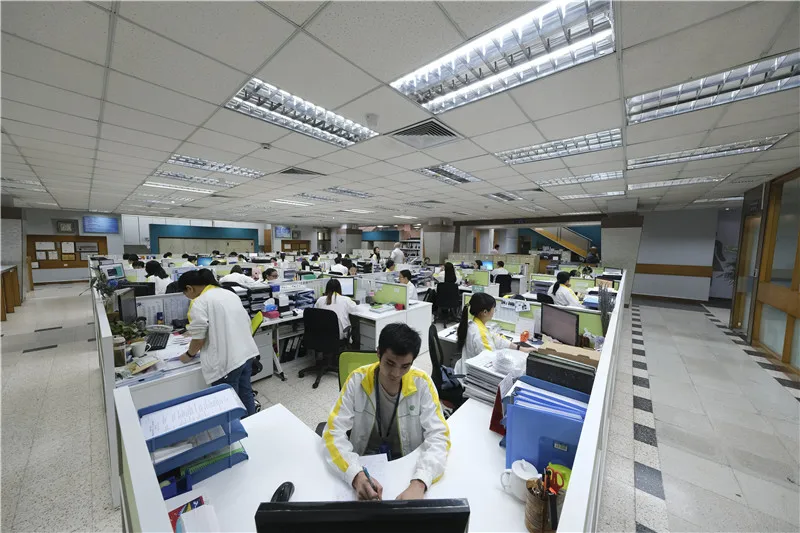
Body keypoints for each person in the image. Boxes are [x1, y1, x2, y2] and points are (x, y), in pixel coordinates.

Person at [323, 323, 450, 501]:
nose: (396, 373)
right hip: (364, 463)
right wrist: (355, 475)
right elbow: (332, 433)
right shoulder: (357, 381)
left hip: (408, 466)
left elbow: (439, 436)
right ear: (378, 353)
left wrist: (420, 481)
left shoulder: (422, 383)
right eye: (390, 363)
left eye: (405, 366)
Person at [177, 269, 259, 416]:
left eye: (184, 293)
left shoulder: (199, 302)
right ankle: (250, 424)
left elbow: (199, 340)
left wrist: (188, 355)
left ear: (189, 288)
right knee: (246, 393)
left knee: (229, 403)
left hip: (227, 362)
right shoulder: (229, 294)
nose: (186, 296)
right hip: (246, 353)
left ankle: (235, 428)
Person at [455, 293, 534, 376]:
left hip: (468, 369)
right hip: (474, 376)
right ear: (485, 312)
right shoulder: (480, 333)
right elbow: (491, 362)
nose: (494, 311)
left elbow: (497, 339)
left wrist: (520, 348)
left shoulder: (474, 324)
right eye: (493, 308)